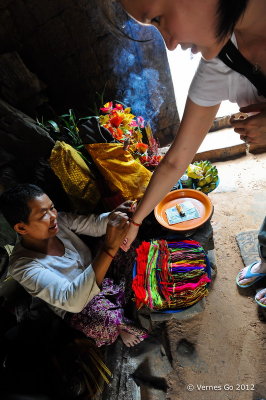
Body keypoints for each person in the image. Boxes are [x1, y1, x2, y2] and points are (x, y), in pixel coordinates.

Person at [99, 0, 266, 305]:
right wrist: (135, 222)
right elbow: (177, 159)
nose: (171, 44)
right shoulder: (221, 63)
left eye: (160, 19)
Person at [0, 184, 147, 346]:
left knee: (130, 243)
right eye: (43, 214)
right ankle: (120, 325)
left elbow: (96, 224)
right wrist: (109, 248)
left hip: (100, 274)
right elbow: (73, 300)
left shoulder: (59, 222)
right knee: (104, 318)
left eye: (52, 208)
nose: (53, 216)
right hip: (81, 304)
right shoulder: (23, 266)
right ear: (21, 227)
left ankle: (120, 303)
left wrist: (115, 216)